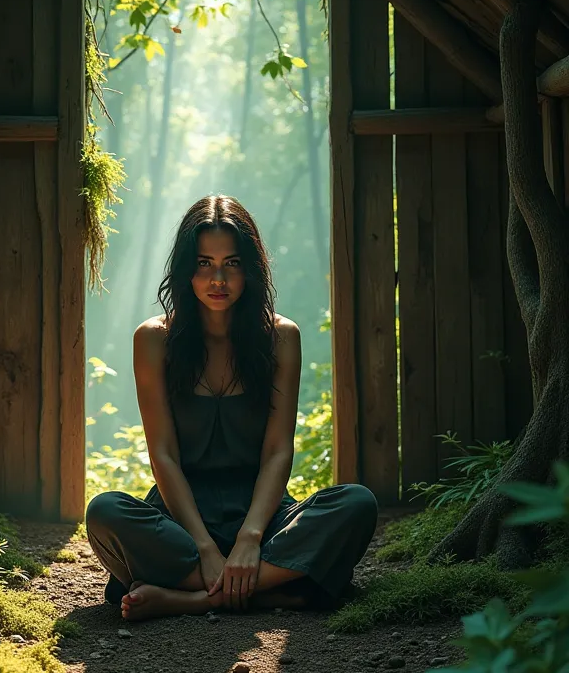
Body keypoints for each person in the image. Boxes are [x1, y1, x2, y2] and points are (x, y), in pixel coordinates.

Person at [86, 195, 377, 621]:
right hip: (180, 522)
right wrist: (204, 547)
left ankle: (192, 598)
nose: (217, 278)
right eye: (204, 263)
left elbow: (278, 451)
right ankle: (280, 590)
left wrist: (250, 538)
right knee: (105, 511)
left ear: (251, 268)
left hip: (264, 515)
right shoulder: (153, 339)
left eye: (232, 263)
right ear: (186, 269)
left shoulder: (281, 337)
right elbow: (163, 454)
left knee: (356, 503)